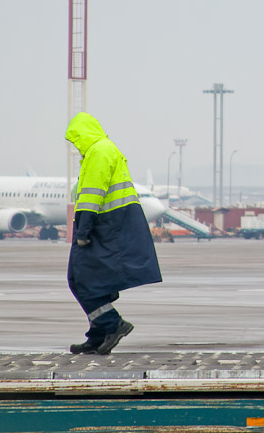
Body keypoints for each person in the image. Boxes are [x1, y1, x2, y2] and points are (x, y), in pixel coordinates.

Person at [65, 112, 162, 355]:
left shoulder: (98, 152)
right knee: (88, 281)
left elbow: (91, 195)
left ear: (83, 135)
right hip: (108, 225)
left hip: (102, 226)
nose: (75, 147)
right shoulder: (102, 150)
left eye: (75, 140)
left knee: (81, 280)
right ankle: (98, 334)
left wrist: (83, 230)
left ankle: (112, 324)